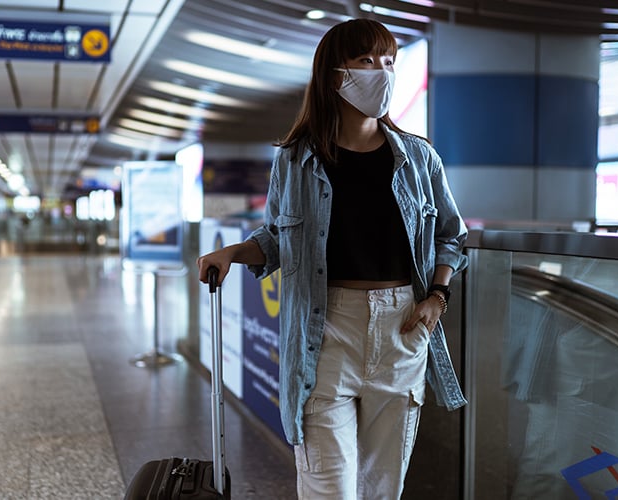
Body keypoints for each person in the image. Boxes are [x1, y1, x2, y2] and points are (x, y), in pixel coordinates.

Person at [197, 18, 468, 500]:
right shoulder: (297, 159)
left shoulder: (420, 159)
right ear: (334, 75)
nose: (381, 73)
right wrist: (234, 252)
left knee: (384, 487)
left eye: (389, 62)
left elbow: (451, 236)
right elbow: (277, 238)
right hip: (325, 333)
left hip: (403, 327)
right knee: (329, 488)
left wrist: (438, 297)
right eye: (366, 61)